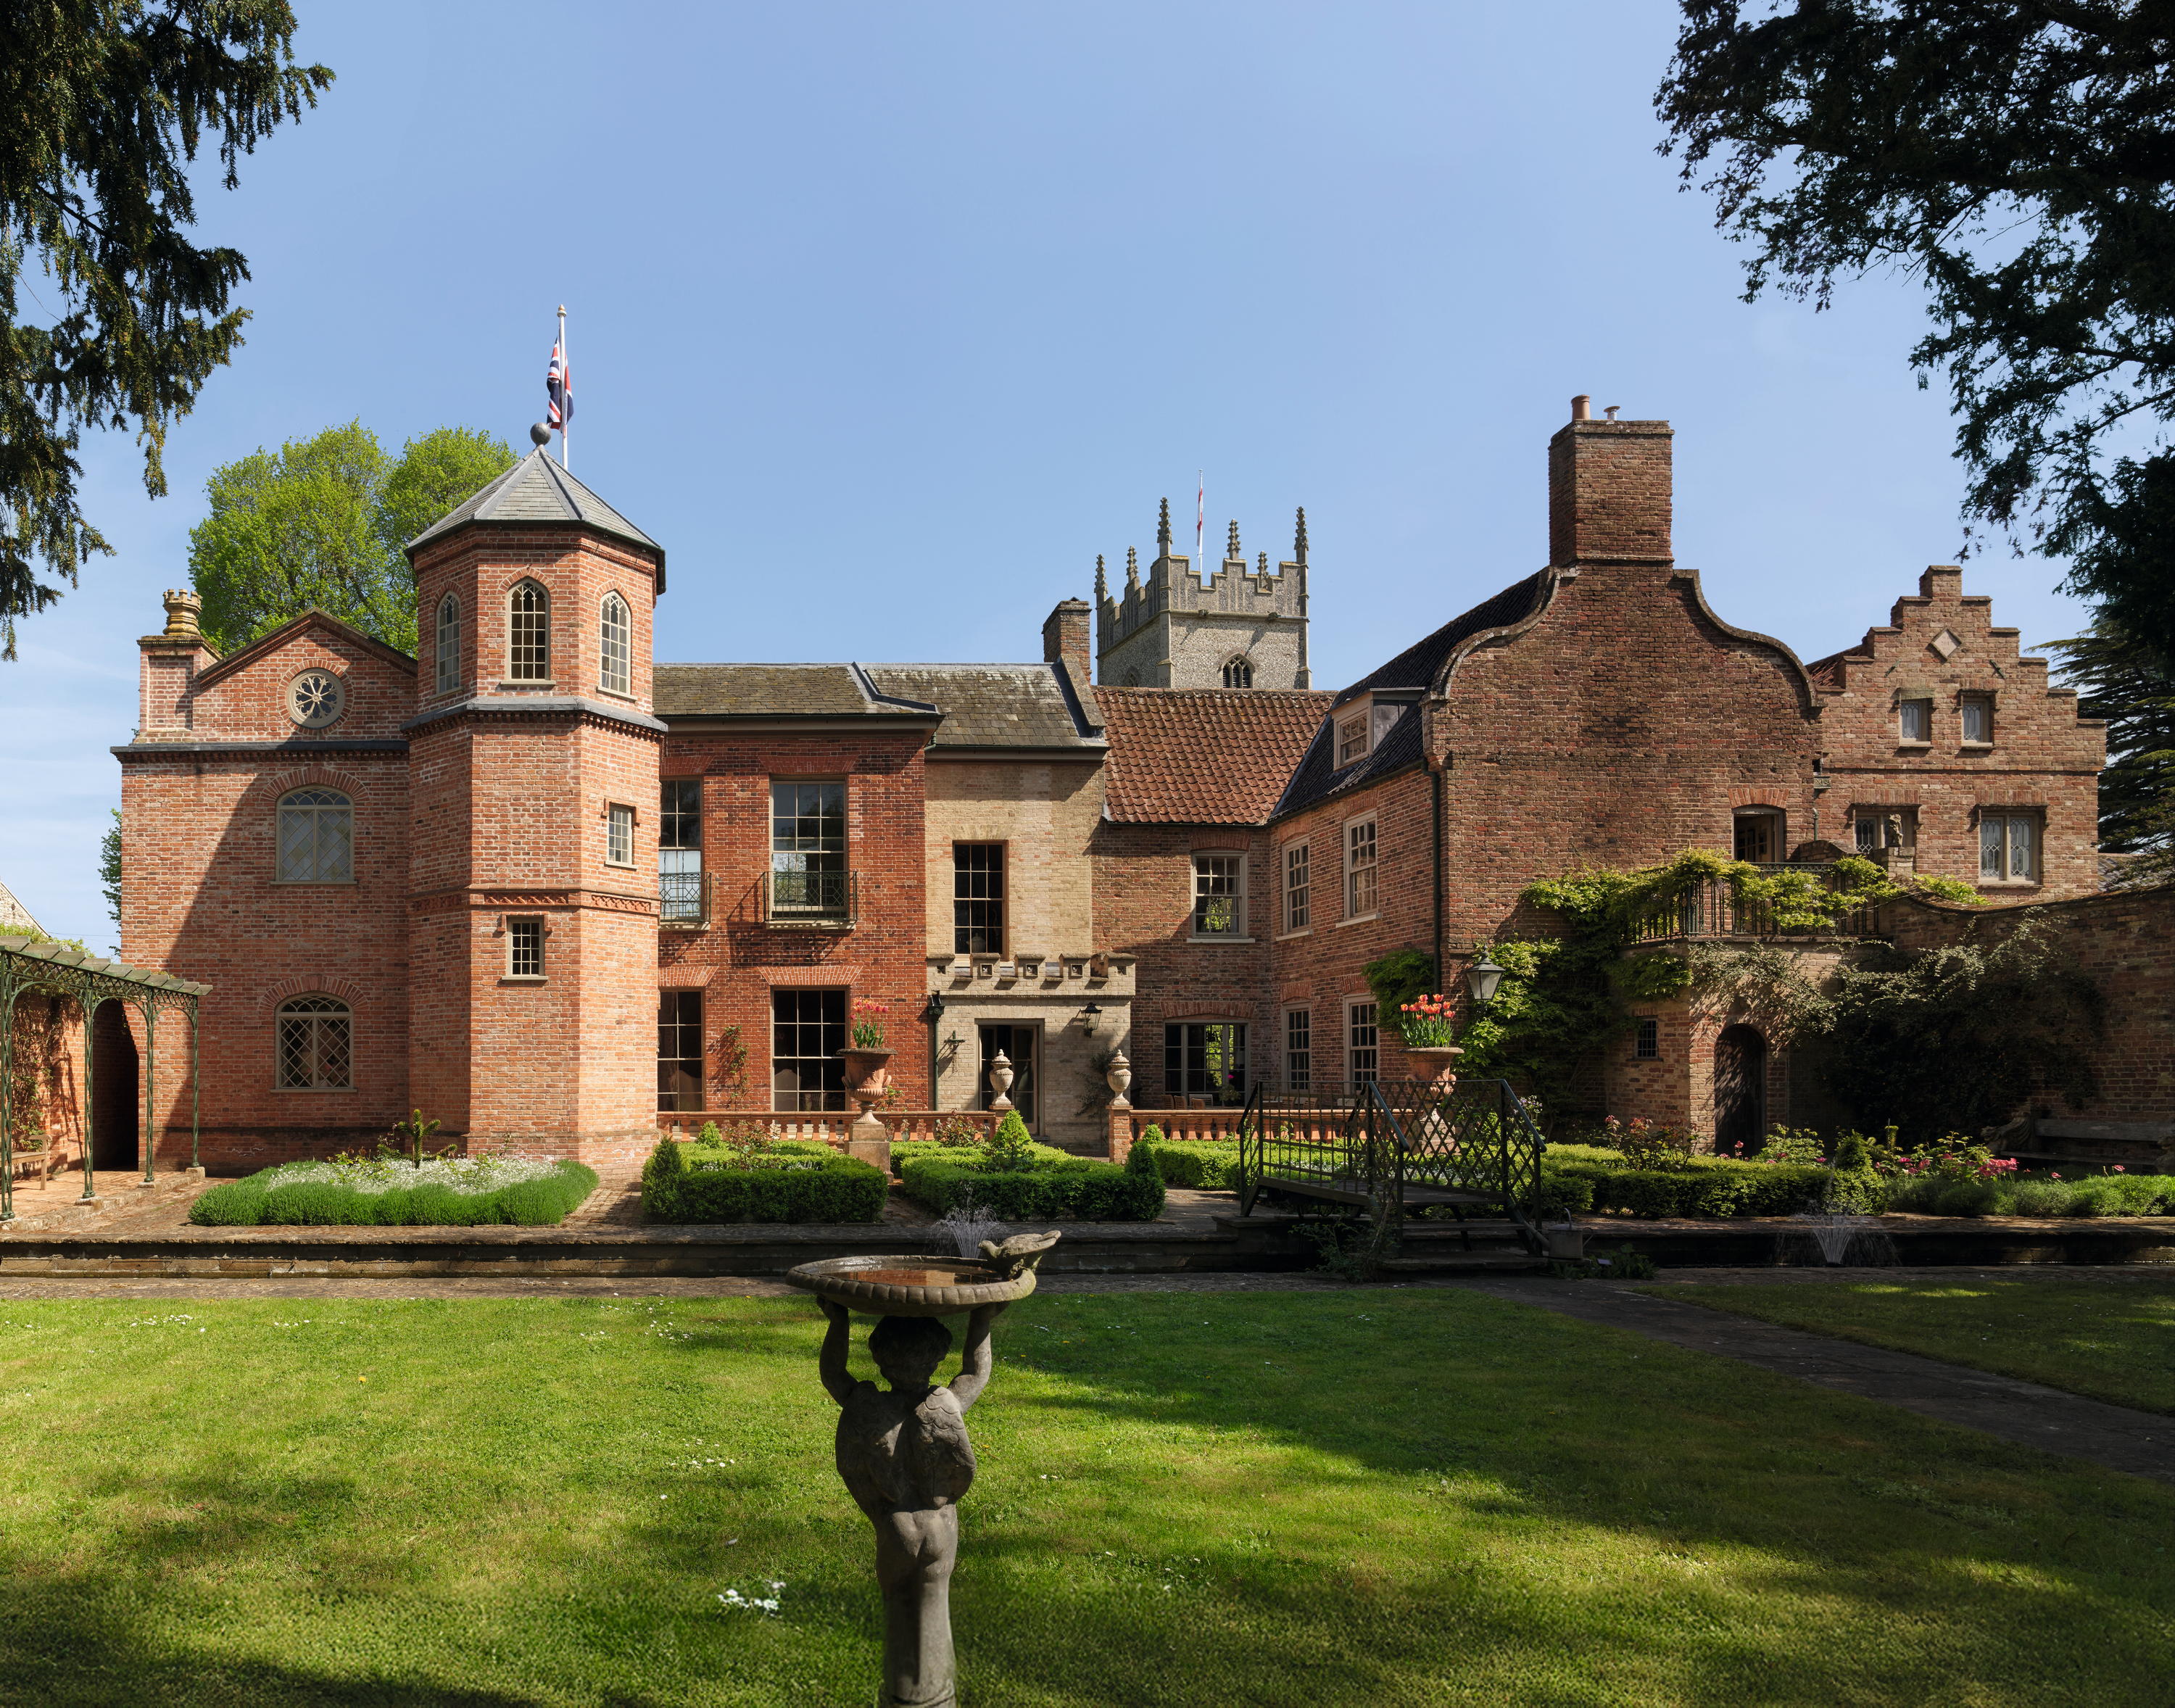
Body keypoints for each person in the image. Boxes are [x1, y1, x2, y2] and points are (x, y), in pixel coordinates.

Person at [818, 1301, 1003, 1708]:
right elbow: (975, 1372)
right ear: (937, 1358)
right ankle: (938, 1699)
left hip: (896, 1526)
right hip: (939, 1526)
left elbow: (833, 1374)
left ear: (880, 1358)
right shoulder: (944, 1405)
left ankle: (901, 1699)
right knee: (934, 1614)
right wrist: (982, 1320)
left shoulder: (868, 1407)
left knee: (901, 1617)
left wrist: (839, 1320)